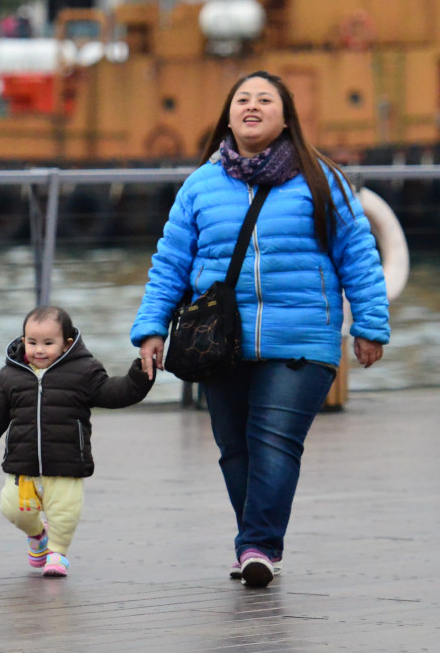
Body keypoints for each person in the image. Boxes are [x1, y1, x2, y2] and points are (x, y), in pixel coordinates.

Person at [131, 70, 390, 588]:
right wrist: (151, 327)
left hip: (303, 338)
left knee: (273, 441)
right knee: (235, 448)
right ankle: (255, 536)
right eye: (242, 99)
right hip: (219, 342)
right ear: (228, 113)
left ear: (286, 116)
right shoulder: (201, 185)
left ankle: (258, 547)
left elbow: (359, 255)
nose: (251, 106)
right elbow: (170, 262)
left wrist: (370, 324)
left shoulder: (322, 180)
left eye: (264, 99)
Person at [0, 305, 154, 577]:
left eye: (48, 343)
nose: (39, 350)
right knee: (13, 509)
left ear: (66, 344)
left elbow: (114, 393)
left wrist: (139, 375)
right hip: (22, 464)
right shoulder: (10, 376)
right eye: (32, 342)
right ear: (22, 340)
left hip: (67, 463)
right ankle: (38, 535)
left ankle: (58, 554)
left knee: (64, 513)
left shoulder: (84, 371)